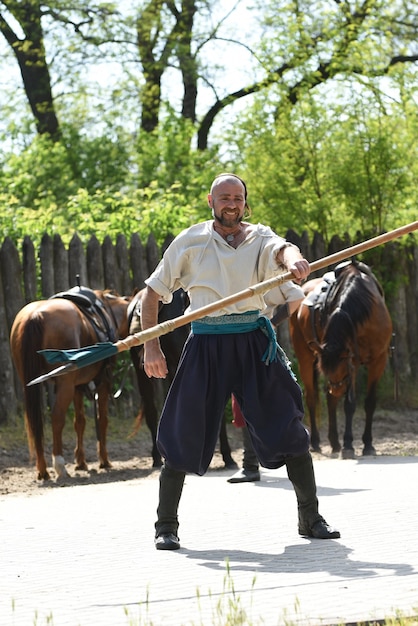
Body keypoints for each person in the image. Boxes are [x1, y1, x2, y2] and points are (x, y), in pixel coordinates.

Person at [141, 173, 340, 550]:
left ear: (245, 203)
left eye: (238, 198)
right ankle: (165, 525)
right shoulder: (191, 241)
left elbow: (285, 250)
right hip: (206, 344)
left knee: (288, 426)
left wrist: (296, 262)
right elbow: (152, 294)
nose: (231, 204)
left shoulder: (260, 236)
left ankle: (310, 517)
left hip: (253, 342)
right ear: (210, 201)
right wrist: (152, 347)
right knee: (183, 430)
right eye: (224, 198)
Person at [227, 280, 305, 483]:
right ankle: (252, 463)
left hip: (258, 342)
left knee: (254, 401)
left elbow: (297, 297)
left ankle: (253, 464)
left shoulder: (271, 270)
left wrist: (272, 322)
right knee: (244, 403)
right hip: (235, 340)